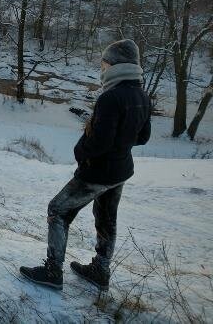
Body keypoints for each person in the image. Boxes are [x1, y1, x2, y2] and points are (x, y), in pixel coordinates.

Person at [20, 39, 151, 291]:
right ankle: (100, 271)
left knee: (58, 210)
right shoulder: (141, 95)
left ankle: (52, 271)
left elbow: (99, 142)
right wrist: (121, 143)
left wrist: (81, 151)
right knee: (106, 218)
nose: (102, 67)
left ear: (114, 65)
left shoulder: (111, 97)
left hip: (98, 172)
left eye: (104, 62)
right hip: (121, 170)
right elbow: (143, 137)